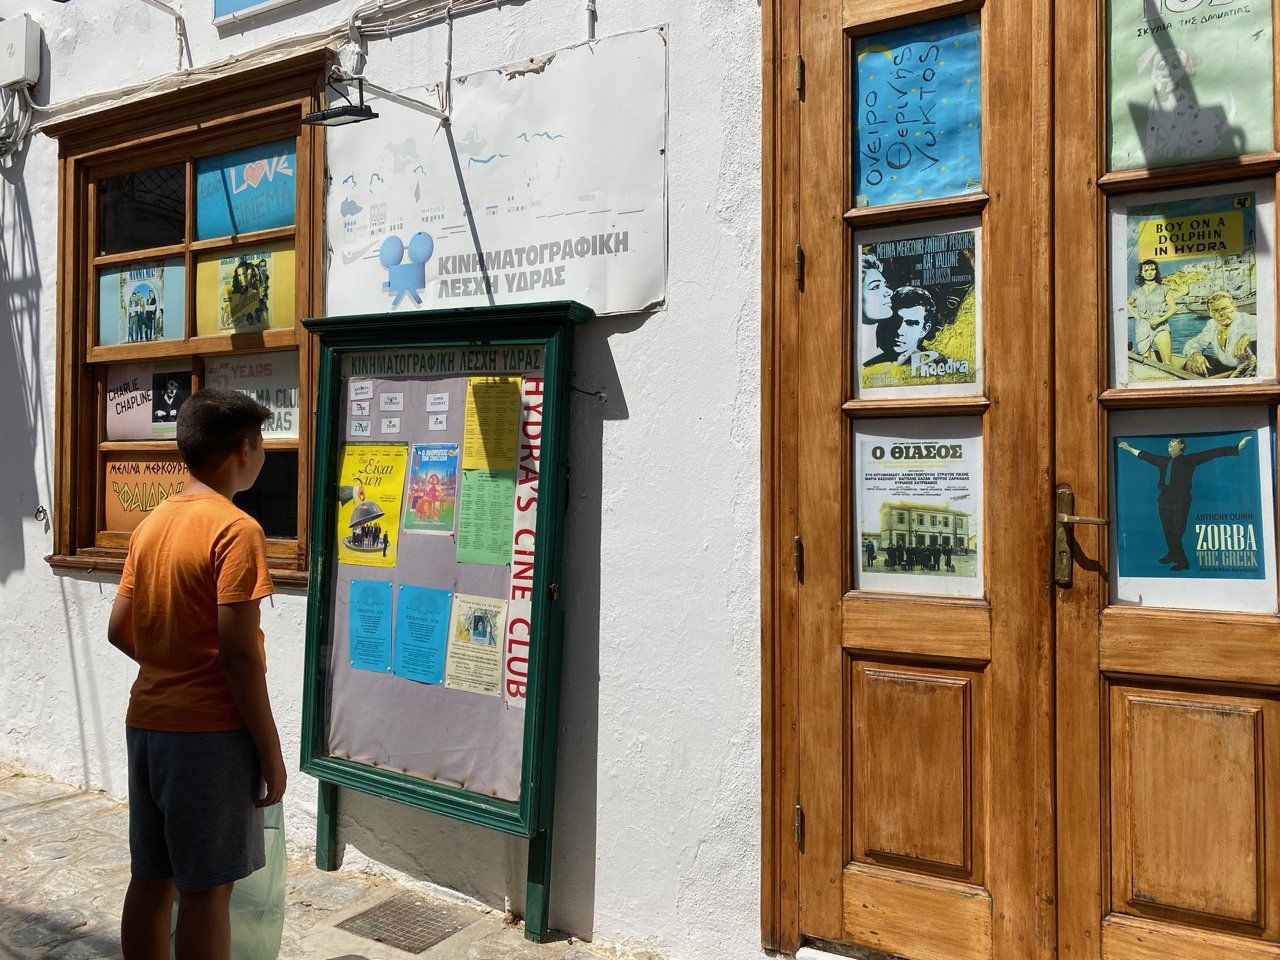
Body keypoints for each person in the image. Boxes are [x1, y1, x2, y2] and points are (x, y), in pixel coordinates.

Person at [107, 389, 284, 960]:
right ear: (241, 450)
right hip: (208, 735)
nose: (263, 456)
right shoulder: (236, 530)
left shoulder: (152, 522)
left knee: (152, 878)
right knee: (208, 891)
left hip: (149, 725)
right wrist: (270, 749)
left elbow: (119, 628)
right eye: (261, 445)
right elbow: (238, 654)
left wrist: (171, 662)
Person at [1118, 433, 1251, 571]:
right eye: (1169, 443)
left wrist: (1236, 448)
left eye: (1174, 442)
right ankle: (1172, 554)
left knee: (1176, 532)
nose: (1170, 444)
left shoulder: (1190, 460)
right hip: (1164, 500)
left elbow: (1211, 453)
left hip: (1181, 500)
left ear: (1181, 446)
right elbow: (1145, 455)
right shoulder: (1163, 461)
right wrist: (1128, 448)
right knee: (1167, 531)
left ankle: (1183, 562)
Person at [1182, 291, 1258, 378]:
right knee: (1190, 365)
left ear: (1234, 307)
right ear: (1210, 313)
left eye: (1225, 308)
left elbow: (1267, 325)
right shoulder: (1213, 325)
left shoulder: (1246, 319)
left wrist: (1249, 336)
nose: (1221, 314)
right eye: (1215, 311)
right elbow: (1195, 343)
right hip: (1230, 370)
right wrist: (1195, 354)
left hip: (1250, 371)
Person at [1127, 259, 1177, 365]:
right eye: (1146, 270)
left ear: (1156, 271)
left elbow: (1173, 308)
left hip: (1161, 326)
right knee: (1146, 362)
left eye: (1152, 269)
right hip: (1142, 327)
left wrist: (1159, 319)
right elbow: (1128, 303)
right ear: (1141, 273)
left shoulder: (1164, 288)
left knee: (1167, 363)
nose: (1149, 272)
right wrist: (1137, 316)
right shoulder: (1136, 292)